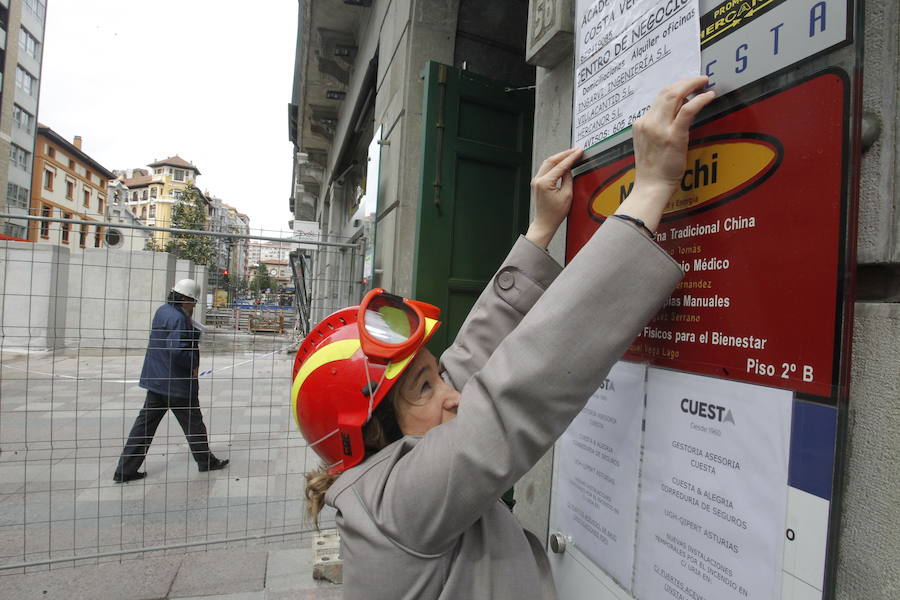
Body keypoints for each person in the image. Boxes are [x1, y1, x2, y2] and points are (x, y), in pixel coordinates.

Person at [291, 78, 716, 598]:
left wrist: (539, 232)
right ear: (376, 432)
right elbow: (513, 396)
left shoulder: (384, 471)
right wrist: (649, 190)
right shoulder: (396, 503)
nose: (451, 390)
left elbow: (469, 361)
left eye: (432, 373)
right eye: (423, 387)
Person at [114, 278, 229, 482]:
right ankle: (206, 462)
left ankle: (125, 470)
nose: (194, 307)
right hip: (177, 384)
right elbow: (179, 350)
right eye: (193, 303)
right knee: (194, 425)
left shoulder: (162, 311)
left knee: (144, 427)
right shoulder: (179, 319)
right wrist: (194, 362)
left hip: (156, 381)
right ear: (185, 300)